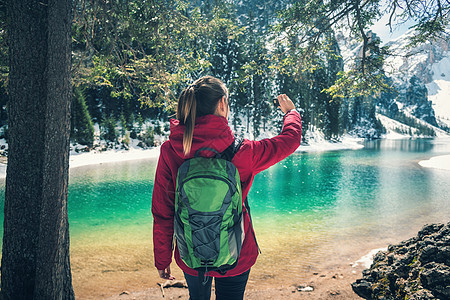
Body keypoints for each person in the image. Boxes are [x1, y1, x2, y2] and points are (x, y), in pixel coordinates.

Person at [152, 75, 301, 299]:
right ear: (222, 103)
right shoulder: (243, 151)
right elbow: (290, 140)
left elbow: (163, 213)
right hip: (237, 252)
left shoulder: (170, 151)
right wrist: (291, 113)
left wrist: (162, 260)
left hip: (190, 252)